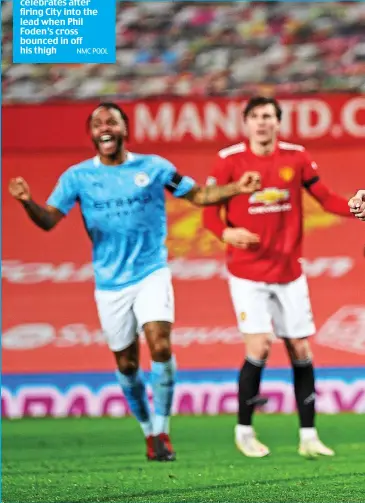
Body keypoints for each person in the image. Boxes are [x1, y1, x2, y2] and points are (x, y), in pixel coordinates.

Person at [9, 102, 260, 462]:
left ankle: (162, 431)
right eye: (97, 124)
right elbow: (49, 220)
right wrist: (26, 202)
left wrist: (237, 187)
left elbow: (198, 195)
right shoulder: (77, 177)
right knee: (127, 364)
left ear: (125, 129)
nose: (105, 127)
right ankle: (147, 432)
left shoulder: (154, 167)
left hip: (150, 272)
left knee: (159, 345)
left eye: (112, 121)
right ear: (92, 135)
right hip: (110, 283)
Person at [203, 96, 355, 459]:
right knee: (259, 346)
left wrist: (354, 207)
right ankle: (244, 430)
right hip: (247, 273)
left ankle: (308, 436)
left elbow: (326, 197)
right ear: (246, 123)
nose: (262, 122)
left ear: (278, 122)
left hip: (289, 273)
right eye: (255, 116)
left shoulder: (296, 157)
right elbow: (209, 211)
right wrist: (226, 233)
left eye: (268, 116)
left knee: (301, 349)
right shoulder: (228, 161)